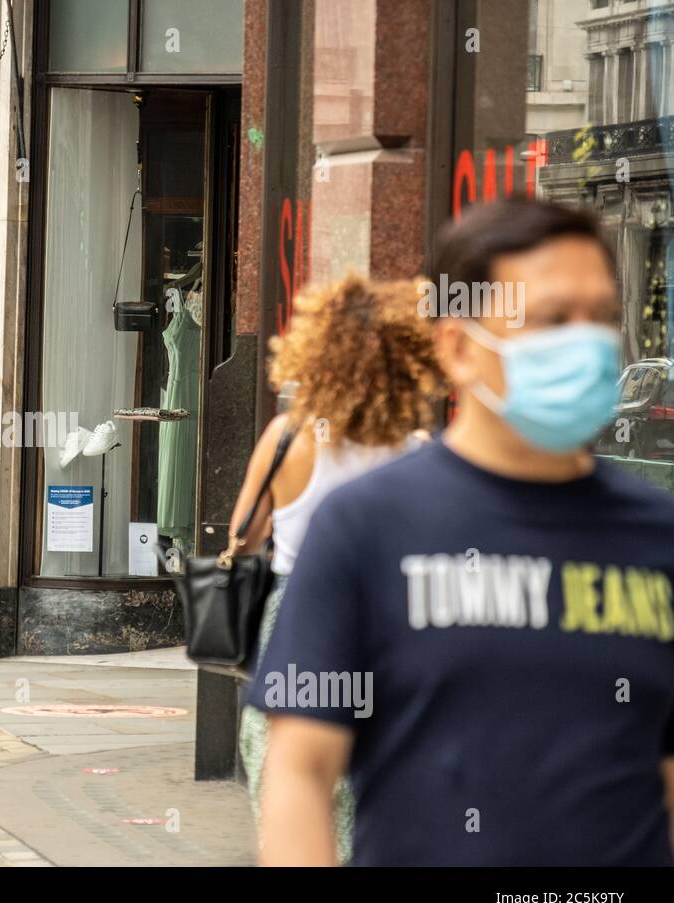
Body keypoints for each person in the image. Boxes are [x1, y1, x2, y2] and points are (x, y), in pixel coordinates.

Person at [253, 197, 674, 866]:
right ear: (458, 346)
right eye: (551, 318)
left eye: (600, 317)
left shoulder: (658, 540)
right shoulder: (368, 528)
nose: (587, 342)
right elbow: (301, 769)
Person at [229, 274, 445, 863]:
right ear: (408, 362)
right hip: (396, 630)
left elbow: (242, 536)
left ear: (316, 354)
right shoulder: (419, 449)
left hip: (296, 622)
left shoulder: (288, 439)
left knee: (293, 778)